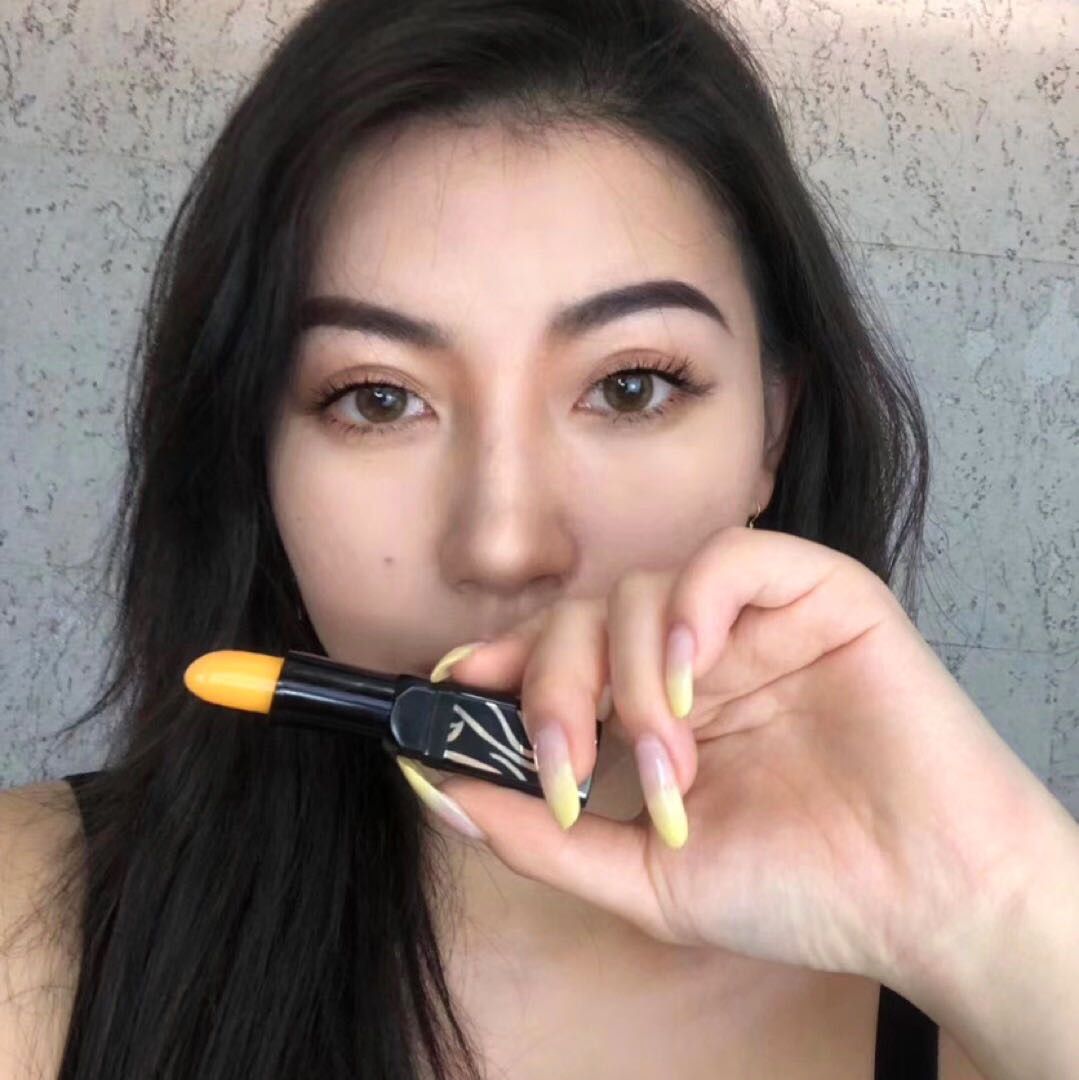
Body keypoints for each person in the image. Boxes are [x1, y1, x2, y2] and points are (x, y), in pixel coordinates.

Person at [1, 0, 1076, 1078]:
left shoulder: (989, 992)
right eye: (377, 399)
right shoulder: (30, 931)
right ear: (255, 459)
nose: (506, 545)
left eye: (631, 386)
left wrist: (990, 906)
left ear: (771, 433)